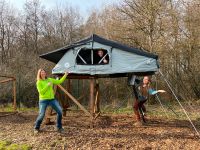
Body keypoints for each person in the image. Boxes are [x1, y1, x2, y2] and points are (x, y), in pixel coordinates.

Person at [34, 69, 68, 134]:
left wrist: (65, 75)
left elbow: (59, 81)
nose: (43, 73)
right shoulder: (39, 82)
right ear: (39, 74)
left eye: (44, 72)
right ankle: (36, 128)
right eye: (41, 73)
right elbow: (41, 92)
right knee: (41, 115)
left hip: (52, 99)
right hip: (43, 100)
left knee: (60, 112)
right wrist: (47, 85)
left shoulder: (50, 79)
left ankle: (59, 127)